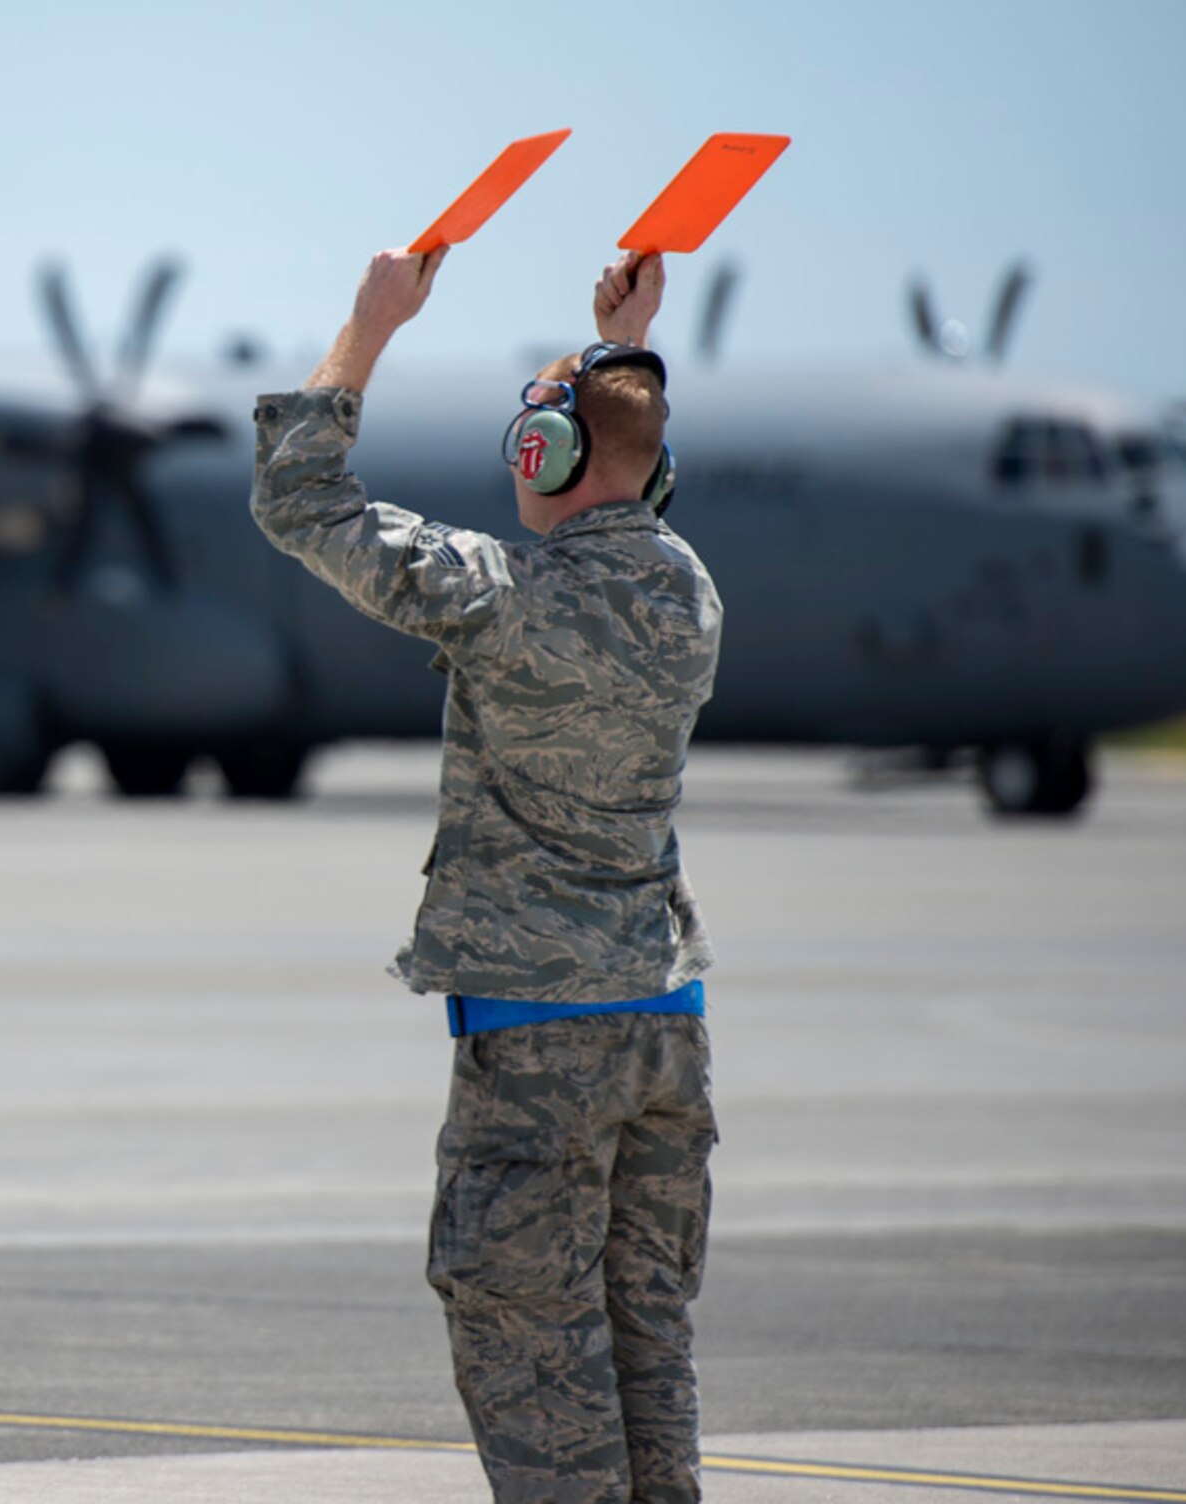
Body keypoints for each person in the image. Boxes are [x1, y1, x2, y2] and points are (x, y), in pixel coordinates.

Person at [250, 246, 722, 1504]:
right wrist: (621, 349)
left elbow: (300, 499)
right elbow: (629, 492)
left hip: (539, 1042)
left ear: (545, 460)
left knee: (534, 1363)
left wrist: (367, 325)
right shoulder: (686, 594)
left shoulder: (500, 597)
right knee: (644, 1351)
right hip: (661, 1029)